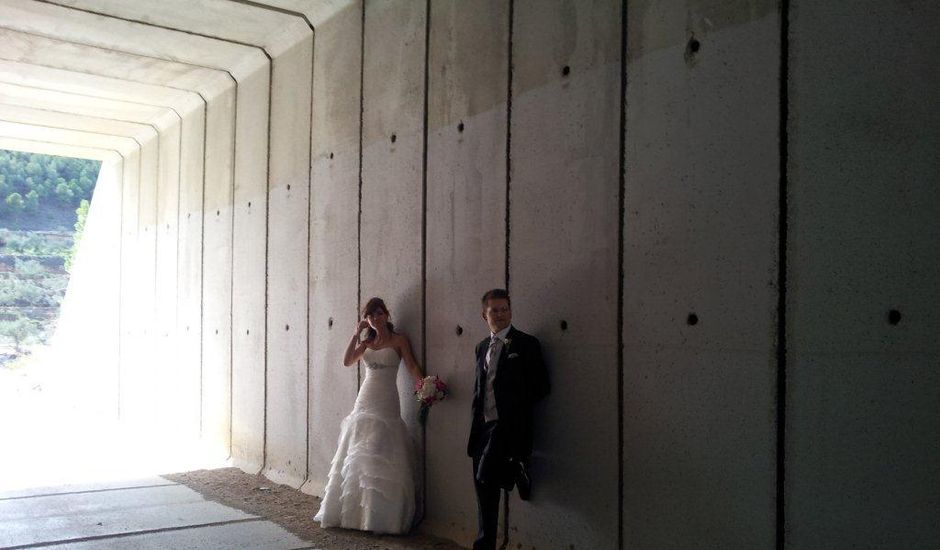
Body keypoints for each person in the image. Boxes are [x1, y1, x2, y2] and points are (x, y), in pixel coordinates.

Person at [314, 297, 424, 534]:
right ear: (367, 319)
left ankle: (379, 517)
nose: (375, 318)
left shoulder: (399, 340)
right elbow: (346, 361)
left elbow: (412, 365)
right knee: (358, 449)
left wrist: (423, 385)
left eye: (379, 313)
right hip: (366, 396)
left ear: (386, 315)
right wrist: (356, 334)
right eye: (370, 315)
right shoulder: (366, 344)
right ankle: (354, 515)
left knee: (380, 448)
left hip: (387, 398)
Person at [467, 289, 550, 550]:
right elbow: (480, 389)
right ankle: (516, 472)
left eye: (505, 309)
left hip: (508, 428)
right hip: (483, 429)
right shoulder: (482, 347)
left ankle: (516, 469)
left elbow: (542, 387)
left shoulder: (526, 344)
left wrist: (514, 409)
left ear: (511, 311)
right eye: (495, 310)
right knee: (483, 490)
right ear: (484, 315)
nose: (501, 314)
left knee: (485, 477)